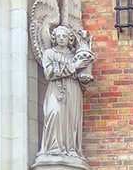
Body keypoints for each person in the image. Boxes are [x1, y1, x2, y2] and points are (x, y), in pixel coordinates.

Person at [39, 25, 94, 160]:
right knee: (55, 113)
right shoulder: (49, 53)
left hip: (73, 88)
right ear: (54, 38)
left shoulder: (74, 54)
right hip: (55, 88)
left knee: (71, 118)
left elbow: (83, 75)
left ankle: (71, 149)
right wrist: (74, 66)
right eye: (58, 36)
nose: (61, 38)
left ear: (69, 38)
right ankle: (54, 148)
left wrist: (84, 76)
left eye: (64, 36)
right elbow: (49, 73)